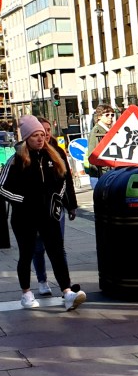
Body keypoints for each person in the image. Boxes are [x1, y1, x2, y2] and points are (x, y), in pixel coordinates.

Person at [0, 115, 85, 311]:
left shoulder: (52, 156)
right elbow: (1, 187)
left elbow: (63, 179)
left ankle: (67, 292)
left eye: (42, 134)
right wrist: (22, 201)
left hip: (48, 216)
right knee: (26, 253)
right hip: (24, 218)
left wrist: (58, 200)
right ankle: (26, 293)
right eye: (35, 135)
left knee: (57, 252)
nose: (41, 138)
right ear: (26, 138)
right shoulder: (16, 160)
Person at [31, 117, 76, 297]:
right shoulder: (26, 153)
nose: (46, 134)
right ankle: (42, 280)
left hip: (56, 209)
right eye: (41, 131)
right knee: (38, 248)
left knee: (58, 247)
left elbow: (67, 180)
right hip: (35, 210)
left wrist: (71, 205)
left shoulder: (57, 151)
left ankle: (65, 284)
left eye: (48, 130)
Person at [85, 105, 114, 186]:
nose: (110, 117)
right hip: (101, 174)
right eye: (107, 115)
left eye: (112, 115)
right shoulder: (96, 132)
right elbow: (93, 155)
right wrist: (97, 175)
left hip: (109, 172)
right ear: (99, 117)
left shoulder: (108, 130)